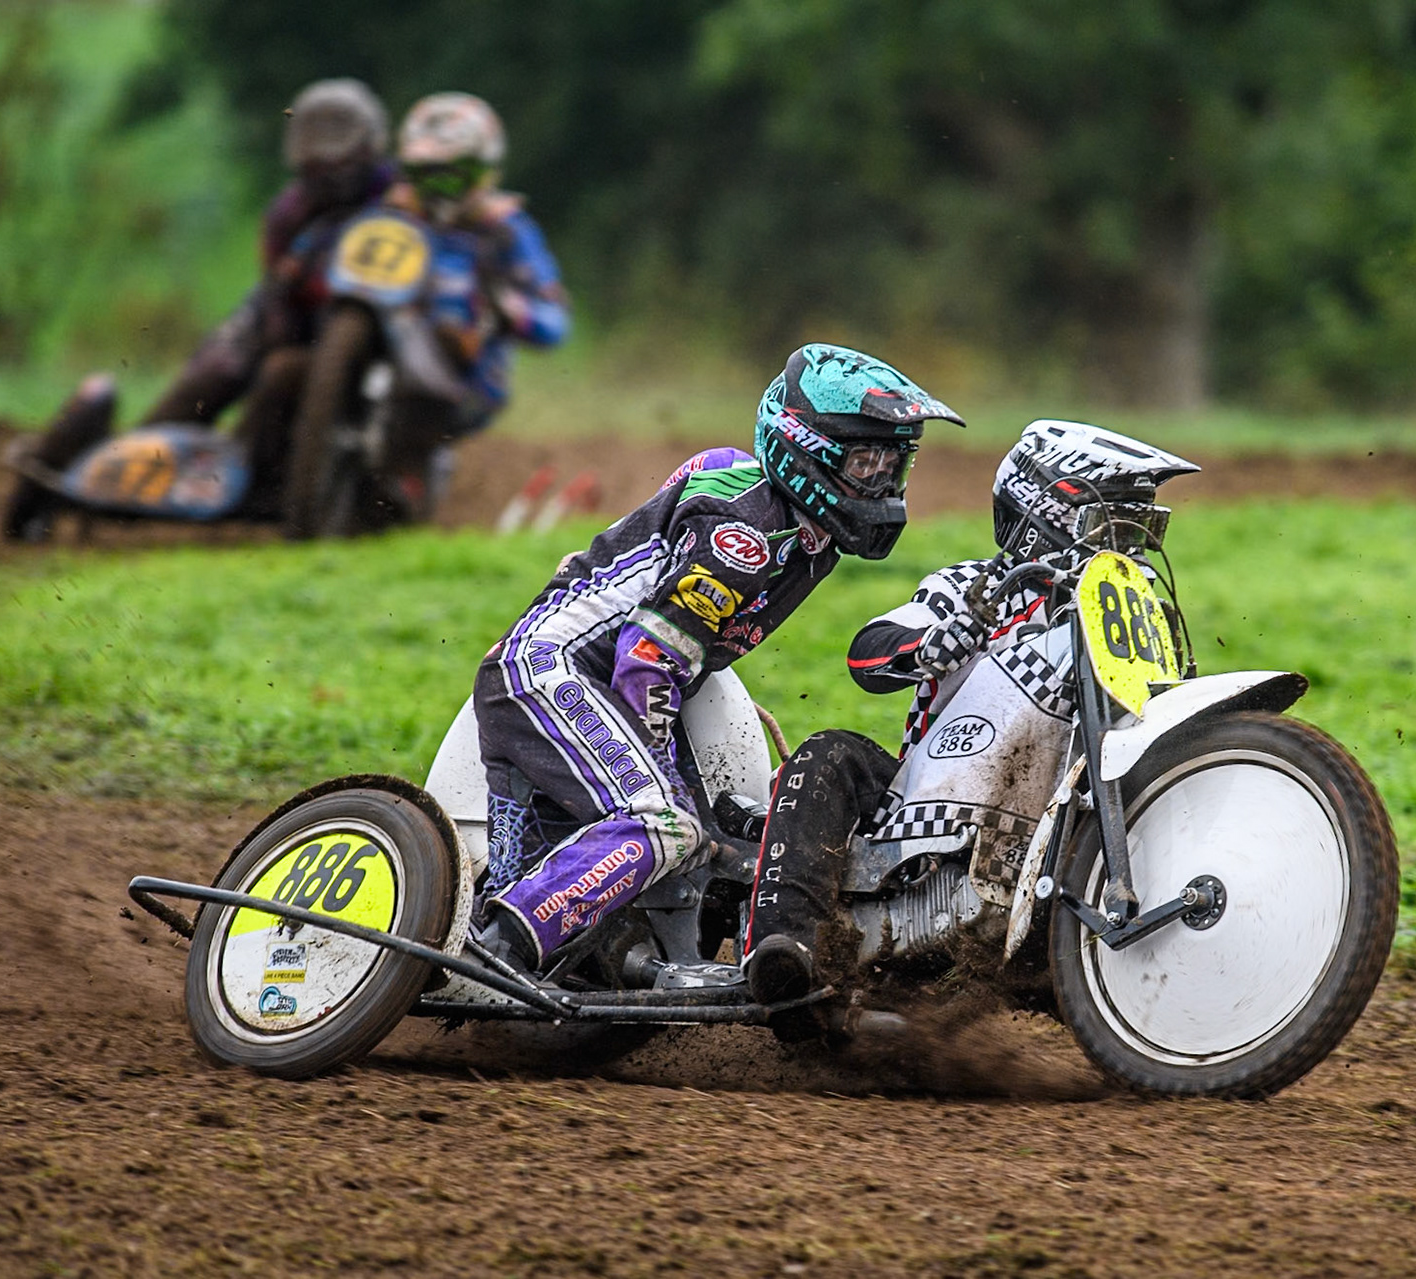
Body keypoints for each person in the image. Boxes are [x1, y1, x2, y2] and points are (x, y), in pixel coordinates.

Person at [474, 343, 962, 971]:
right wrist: (678, 802)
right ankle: (498, 957)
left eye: (895, 464)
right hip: (550, 672)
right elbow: (647, 659)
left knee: (699, 839)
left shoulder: (798, 530)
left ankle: (496, 943)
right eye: (866, 463)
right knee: (665, 826)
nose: (884, 484)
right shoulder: (747, 538)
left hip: (579, 681)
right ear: (805, 451)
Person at [742, 419, 1170, 1031]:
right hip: (924, 806)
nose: (1127, 546)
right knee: (831, 754)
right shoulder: (977, 586)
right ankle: (784, 948)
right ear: (1044, 513)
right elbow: (868, 650)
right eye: (1111, 525)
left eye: (1141, 529)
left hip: (1058, 816)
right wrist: (935, 642)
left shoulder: (1122, 617)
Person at [3, 78, 396, 540]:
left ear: (369, 146)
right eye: (317, 151)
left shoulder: (401, 202)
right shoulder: (290, 212)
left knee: (282, 375)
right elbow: (275, 283)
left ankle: (263, 475)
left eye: (340, 150)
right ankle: (116, 472)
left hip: (372, 340)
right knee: (213, 373)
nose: (329, 165)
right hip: (285, 318)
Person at [372, 91, 569, 515]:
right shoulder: (388, 216)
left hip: (468, 377)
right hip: (378, 335)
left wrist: (507, 308)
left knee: (446, 340)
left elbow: (555, 322)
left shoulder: (507, 231)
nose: (437, 192)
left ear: (484, 174)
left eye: (452, 177)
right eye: (424, 177)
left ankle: (415, 465)